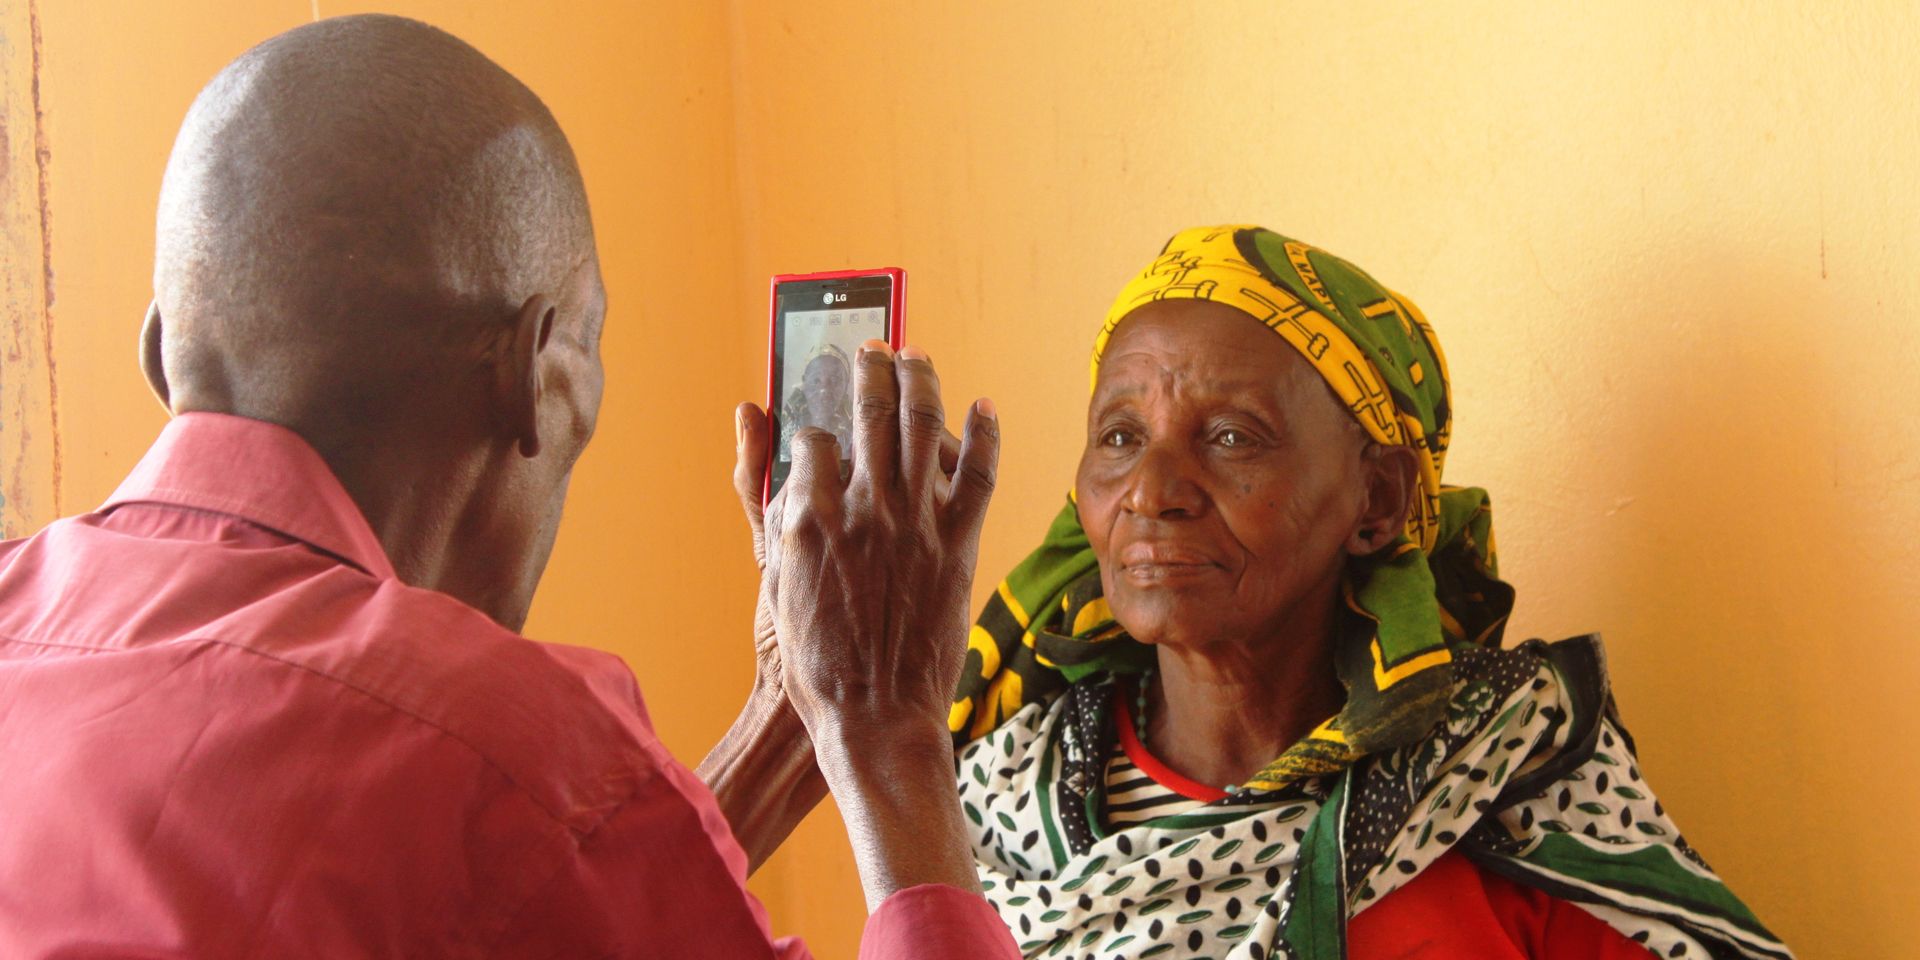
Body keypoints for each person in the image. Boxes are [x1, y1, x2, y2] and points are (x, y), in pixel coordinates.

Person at [0, 15, 1018, 959]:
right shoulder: (509, 754)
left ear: (161, 356)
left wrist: (788, 720)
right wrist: (888, 734)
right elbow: (504, 819)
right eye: (590, 334)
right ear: (531, 372)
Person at [947, 225, 1792, 959]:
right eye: (1121, 436)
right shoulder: (993, 802)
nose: (1151, 488)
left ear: (1378, 497)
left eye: (1233, 436)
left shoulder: (1506, 776)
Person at [782, 342, 856, 453]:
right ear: (804, 384)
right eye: (816, 381)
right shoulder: (785, 435)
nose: (824, 390)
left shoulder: (858, 433)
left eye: (835, 380)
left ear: (846, 385)